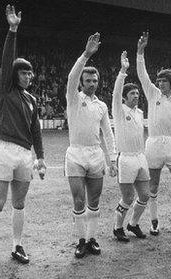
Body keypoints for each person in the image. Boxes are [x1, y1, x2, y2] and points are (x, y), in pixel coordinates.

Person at [0, 5, 46, 268]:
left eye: (30, 73)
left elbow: (35, 130)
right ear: (14, 74)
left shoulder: (32, 99)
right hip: (4, 149)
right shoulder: (4, 88)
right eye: (24, 72)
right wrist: (12, 30)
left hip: (24, 154)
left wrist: (40, 157)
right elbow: (6, 59)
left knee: (19, 203)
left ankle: (17, 246)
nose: (28, 76)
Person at [66, 32, 117, 258]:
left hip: (96, 155)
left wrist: (112, 159)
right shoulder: (74, 98)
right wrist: (86, 55)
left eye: (95, 80)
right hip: (75, 154)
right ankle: (80, 240)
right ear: (82, 82)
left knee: (94, 200)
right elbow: (71, 77)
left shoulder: (102, 106)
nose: (92, 84)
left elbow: (108, 133)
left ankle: (92, 238)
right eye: (88, 80)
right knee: (78, 200)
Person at [136, 31, 171, 238]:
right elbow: (142, 74)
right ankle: (154, 222)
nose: (159, 84)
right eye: (158, 81)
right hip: (153, 145)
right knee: (153, 185)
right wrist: (140, 52)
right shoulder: (152, 94)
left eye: (163, 81)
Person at [111, 51, 150, 242]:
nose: (136, 96)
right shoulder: (119, 110)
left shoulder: (140, 112)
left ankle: (133, 224)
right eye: (132, 93)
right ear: (125, 97)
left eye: (137, 93)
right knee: (127, 197)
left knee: (144, 195)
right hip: (125, 158)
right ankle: (117, 227)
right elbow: (116, 92)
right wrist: (123, 71)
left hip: (140, 157)